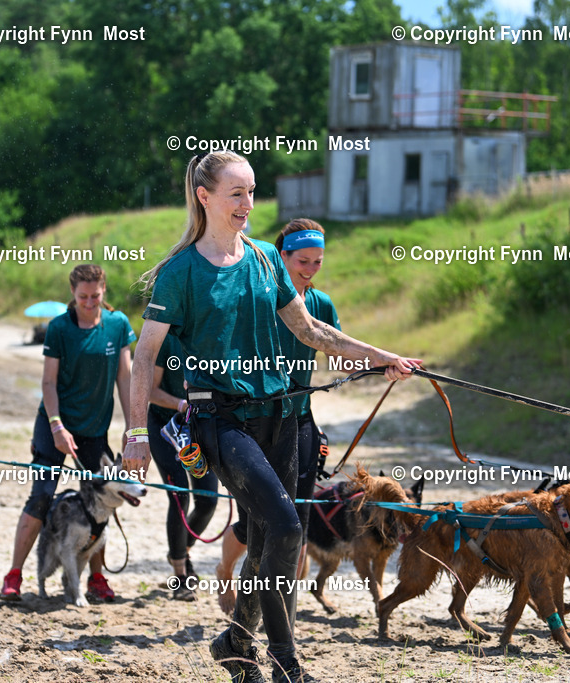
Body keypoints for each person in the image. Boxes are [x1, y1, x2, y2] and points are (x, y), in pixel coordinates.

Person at [125, 151, 421, 683]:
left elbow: (313, 332)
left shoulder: (265, 258)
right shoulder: (180, 272)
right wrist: (136, 433)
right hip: (222, 422)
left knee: (268, 541)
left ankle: (237, 643)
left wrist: (382, 358)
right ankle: (285, 661)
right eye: (236, 193)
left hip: (281, 418)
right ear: (205, 196)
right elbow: (144, 356)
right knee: (287, 527)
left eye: (253, 192)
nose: (248, 204)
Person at [214, 218, 341, 616]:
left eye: (317, 262)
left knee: (296, 520)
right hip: (255, 420)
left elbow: (335, 346)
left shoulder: (321, 304)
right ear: (280, 257)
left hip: (300, 420)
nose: (309, 269)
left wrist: (380, 363)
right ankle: (225, 568)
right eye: (302, 261)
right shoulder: (260, 300)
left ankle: (283, 610)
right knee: (260, 517)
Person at [0, 264, 135, 604]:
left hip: (94, 429)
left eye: (96, 297)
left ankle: (97, 577)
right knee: (42, 496)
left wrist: (134, 426)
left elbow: (125, 378)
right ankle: (14, 575)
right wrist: (57, 425)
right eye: (82, 297)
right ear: (72, 294)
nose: (89, 303)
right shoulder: (59, 327)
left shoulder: (118, 325)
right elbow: (48, 382)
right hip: (54, 423)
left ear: (104, 292)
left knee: (101, 503)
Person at [148, 333, 219, 601]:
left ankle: (182, 549)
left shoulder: (210, 333)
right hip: (164, 426)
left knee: (208, 499)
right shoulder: (166, 340)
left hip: (198, 426)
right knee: (179, 496)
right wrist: (180, 404)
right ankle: (180, 573)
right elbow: (151, 390)